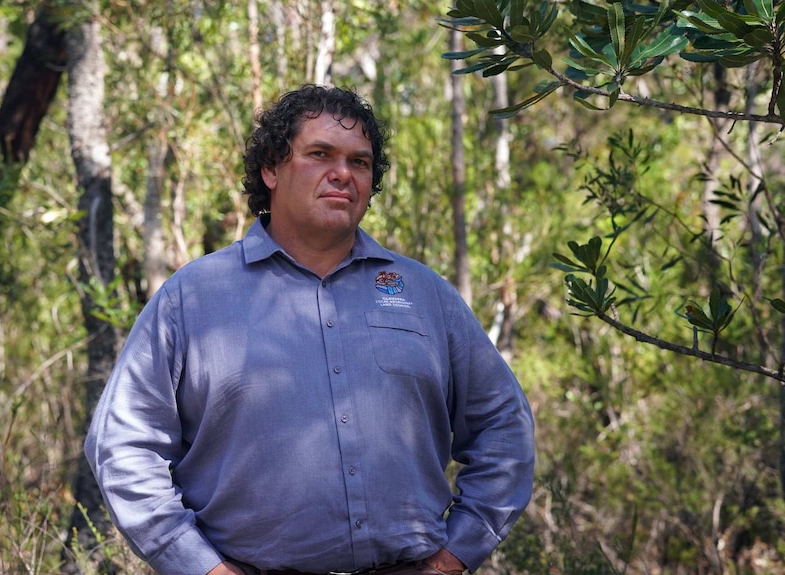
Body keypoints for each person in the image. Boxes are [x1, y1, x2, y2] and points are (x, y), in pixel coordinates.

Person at [84, 85, 535, 575]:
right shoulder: (193, 297)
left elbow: (504, 428)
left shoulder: (426, 296)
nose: (343, 173)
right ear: (271, 168)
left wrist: (453, 559)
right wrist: (198, 566)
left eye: (359, 162)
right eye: (320, 154)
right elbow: (123, 444)